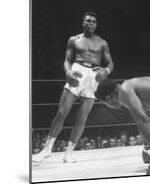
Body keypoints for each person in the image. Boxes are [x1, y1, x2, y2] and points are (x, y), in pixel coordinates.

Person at [32, 11, 114, 163]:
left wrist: (106, 71)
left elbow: (110, 63)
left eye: (93, 22)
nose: (91, 24)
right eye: (88, 21)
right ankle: (47, 149)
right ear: (83, 23)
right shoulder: (74, 40)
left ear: (96, 25)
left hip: (92, 77)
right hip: (77, 72)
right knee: (61, 112)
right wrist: (68, 72)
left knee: (82, 118)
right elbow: (66, 60)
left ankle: (68, 153)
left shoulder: (102, 42)